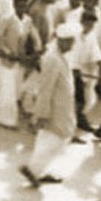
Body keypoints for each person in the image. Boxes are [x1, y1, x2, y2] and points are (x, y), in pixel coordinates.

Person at [20, 21, 77, 188]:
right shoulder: (52, 59)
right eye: (71, 41)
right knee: (56, 139)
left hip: (63, 106)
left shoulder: (61, 56)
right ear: (62, 41)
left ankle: (39, 170)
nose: (73, 44)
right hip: (55, 108)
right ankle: (32, 170)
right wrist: (42, 114)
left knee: (48, 139)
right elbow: (45, 88)